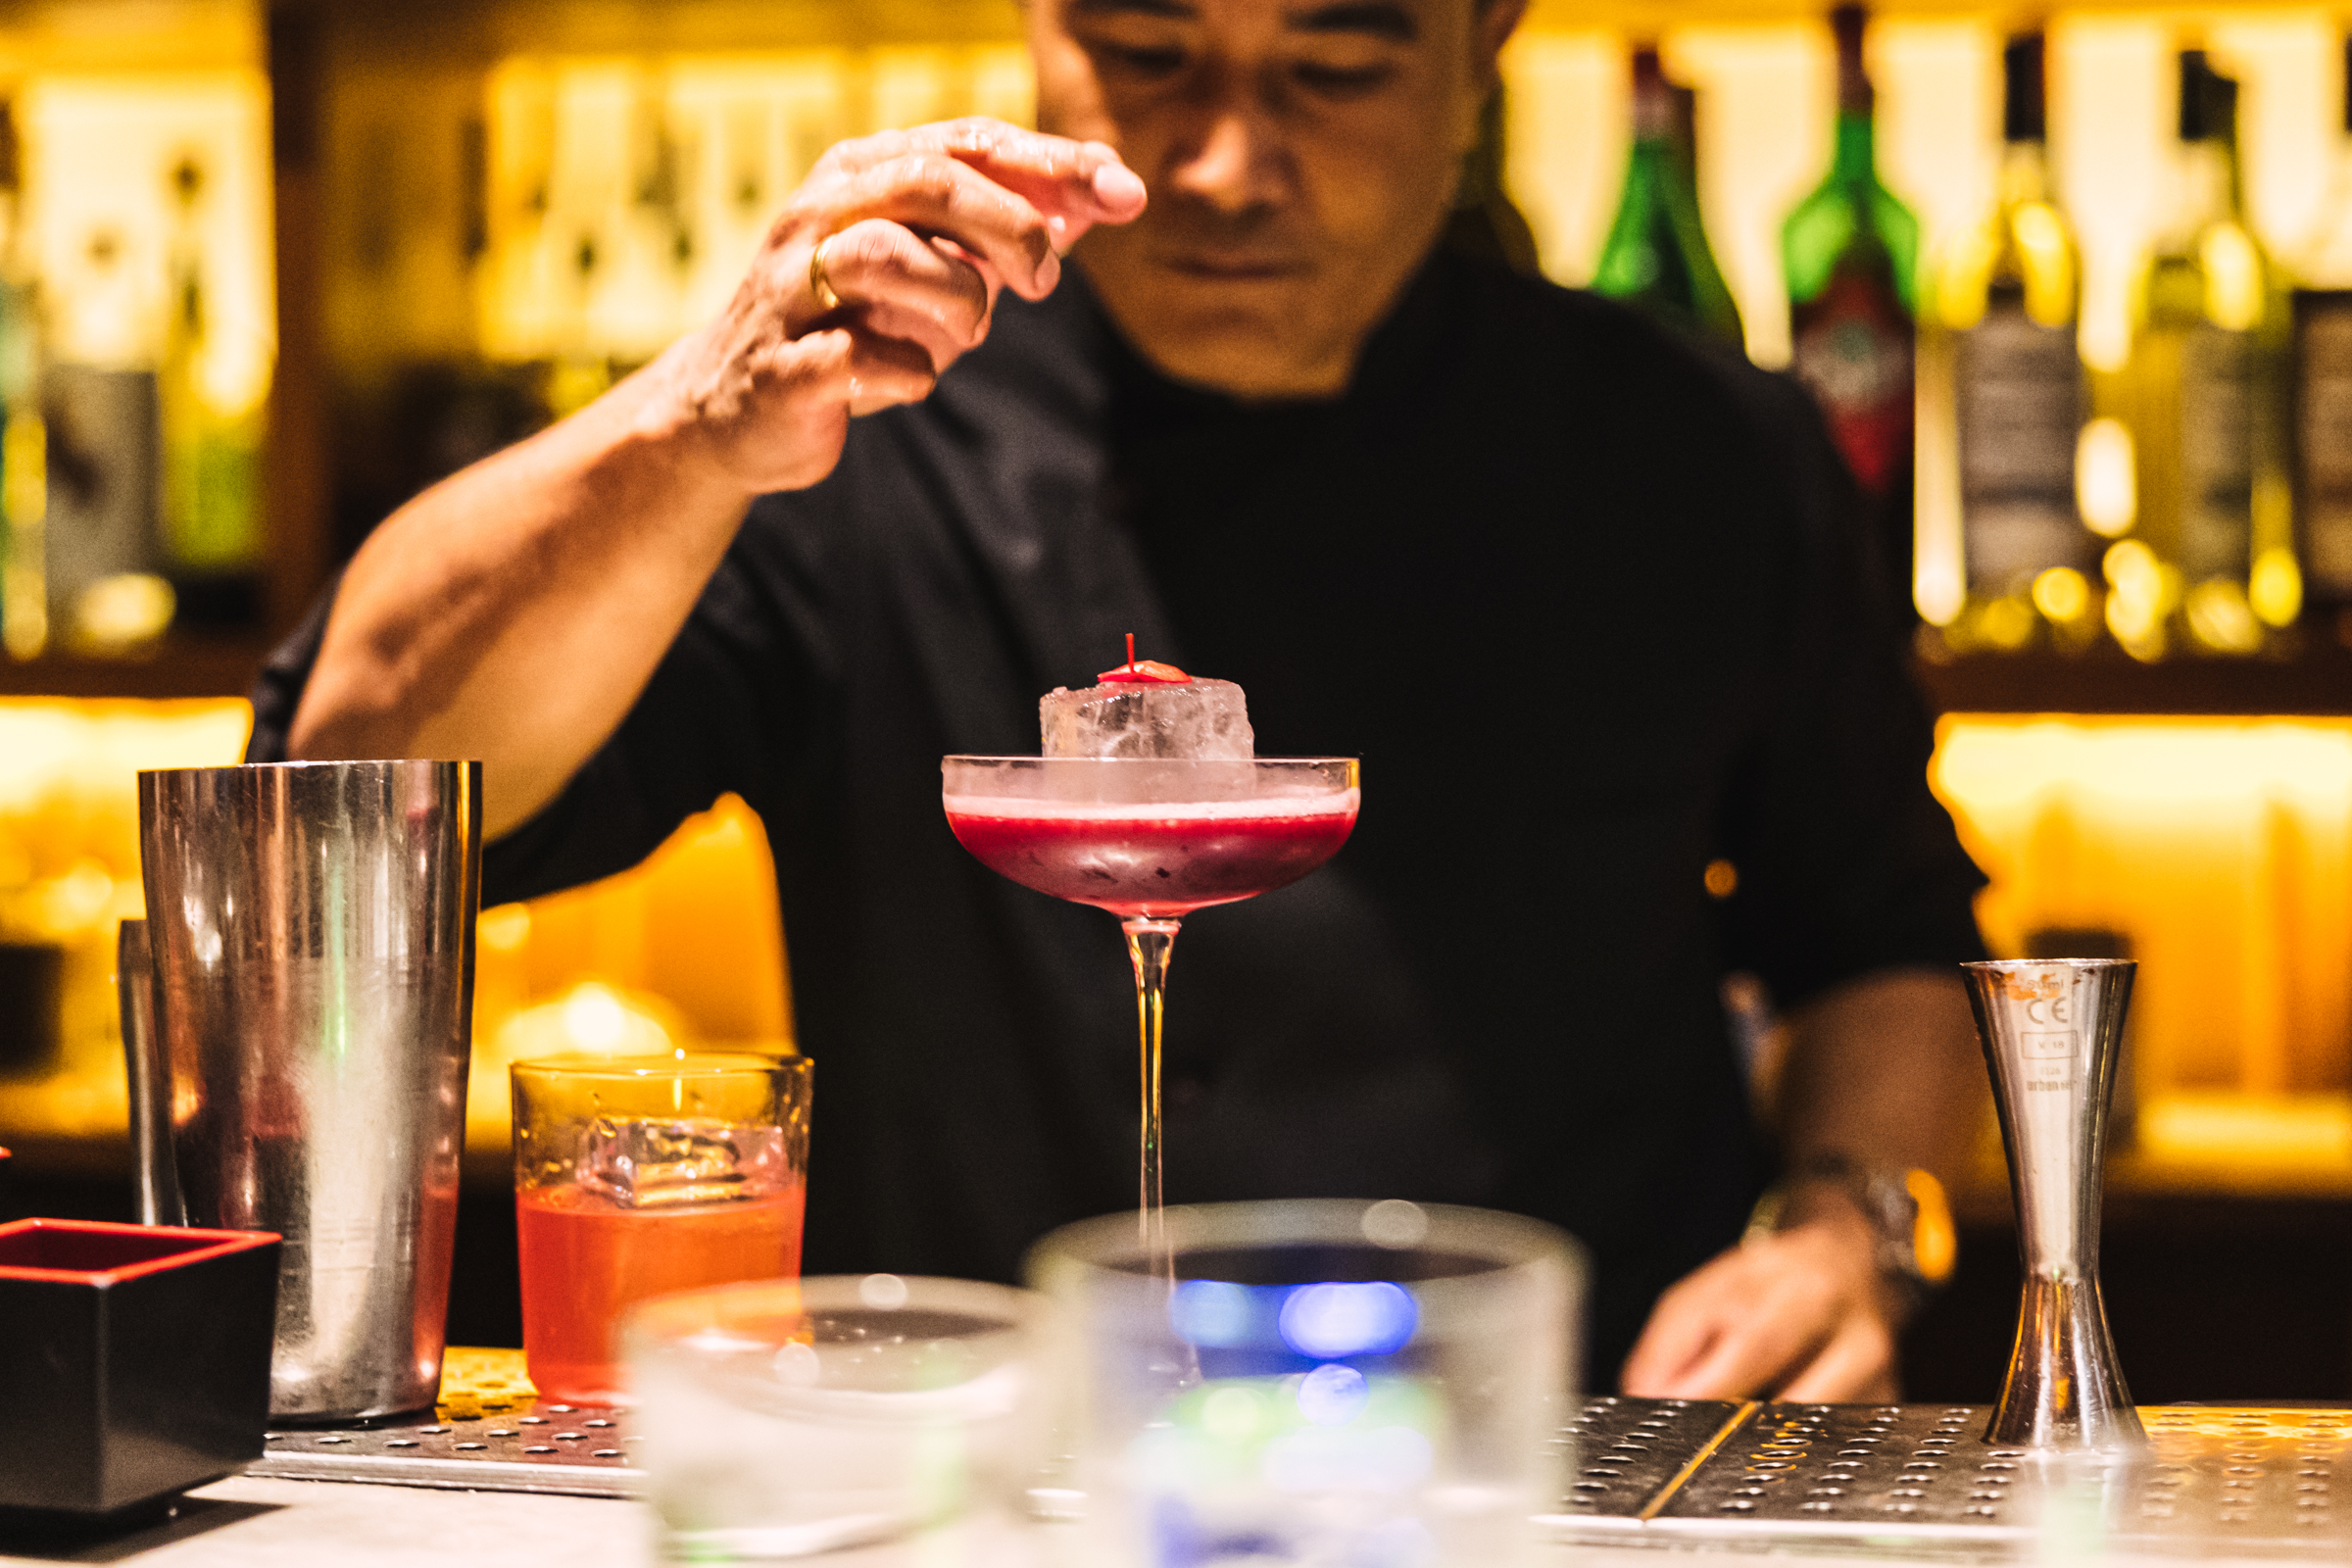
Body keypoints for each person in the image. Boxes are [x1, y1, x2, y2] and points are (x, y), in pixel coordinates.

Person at [252, 0, 1989, 1398]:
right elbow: (341, 782)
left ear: (1483, 48)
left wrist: (1849, 1227)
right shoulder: (847, 429)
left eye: (1335, 62)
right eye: (1149, 56)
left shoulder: (1695, 447)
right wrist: (686, 428)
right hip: (981, 1476)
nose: (1230, 161)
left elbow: (1883, 936)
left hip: (1565, 1461)